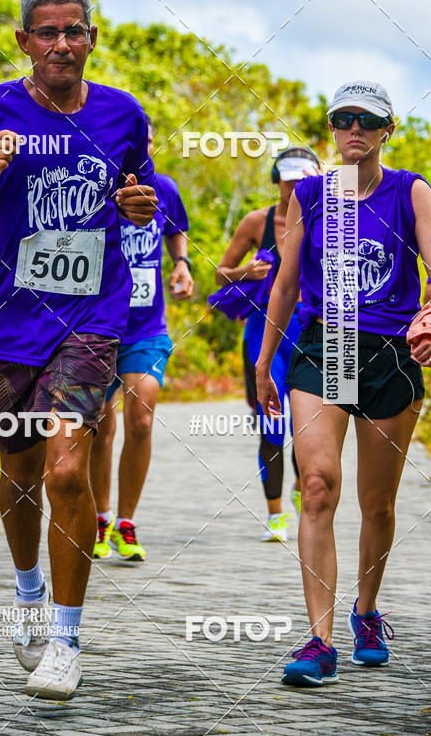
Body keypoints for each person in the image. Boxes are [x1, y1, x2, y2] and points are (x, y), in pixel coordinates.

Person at [0, 0, 157, 700]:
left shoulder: (123, 113)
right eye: (47, 32)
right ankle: (28, 594)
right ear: (24, 41)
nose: (62, 44)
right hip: (4, 327)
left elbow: (139, 194)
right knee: (20, 474)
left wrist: (138, 205)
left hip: (91, 319)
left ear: (92, 38)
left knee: (66, 474)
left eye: (74, 30)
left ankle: (66, 640)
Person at [256, 81, 431, 687]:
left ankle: (366, 612)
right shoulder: (310, 194)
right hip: (326, 346)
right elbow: (284, 283)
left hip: (389, 354)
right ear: (332, 129)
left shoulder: (410, 191)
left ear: (387, 130)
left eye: (367, 120)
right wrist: (265, 362)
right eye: (343, 119)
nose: (354, 129)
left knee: (377, 504)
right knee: (317, 486)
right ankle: (319, 641)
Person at [90, 117, 194, 562]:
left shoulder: (163, 188)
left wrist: (182, 264)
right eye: (137, 142)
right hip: (95, 325)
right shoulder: (92, 185)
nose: (143, 148)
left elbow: (176, 230)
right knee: (99, 427)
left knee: (142, 420)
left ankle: (126, 523)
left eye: (149, 141)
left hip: (146, 329)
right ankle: (100, 518)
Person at [215, 147, 320, 541]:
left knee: (311, 427)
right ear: (277, 180)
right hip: (264, 334)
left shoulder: (331, 220)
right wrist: (246, 271)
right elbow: (220, 274)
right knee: (272, 424)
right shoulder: (257, 222)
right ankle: (275, 515)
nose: (293, 188)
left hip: (312, 331)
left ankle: (302, 487)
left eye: (302, 180)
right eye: (287, 180)